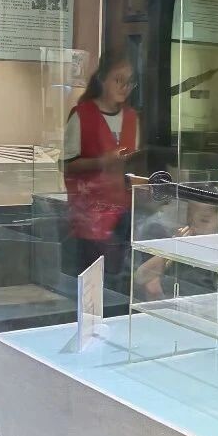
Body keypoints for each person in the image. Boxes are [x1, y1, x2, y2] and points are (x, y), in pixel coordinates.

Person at [63, 53, 139, 275]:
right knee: (91, 274)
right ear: (103, 79)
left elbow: (134, 164)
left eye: (130, 82)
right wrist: (101, 162)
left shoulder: (132, 117)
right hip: (89, 215)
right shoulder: (82, 115)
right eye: (118, 80)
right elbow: (67, 165)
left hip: (123, 212)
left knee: (116, 274)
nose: (124, 87)